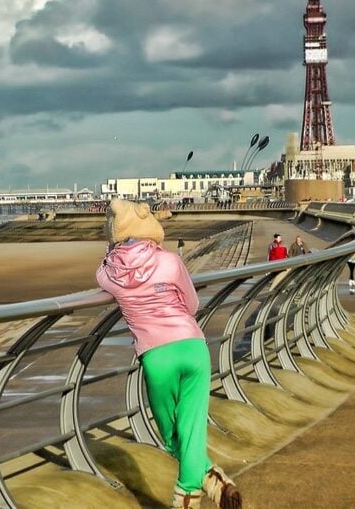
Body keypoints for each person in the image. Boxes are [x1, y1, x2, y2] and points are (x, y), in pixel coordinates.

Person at [96, 199, 241, 509]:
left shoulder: (109, 274)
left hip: (156, 357)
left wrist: (112, 254)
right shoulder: (171, 262)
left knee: (170, 435)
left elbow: (101, 272)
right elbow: (191, 305)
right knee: (190, 427)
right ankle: (213, 483)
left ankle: (193, 493)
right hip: (192, 347)